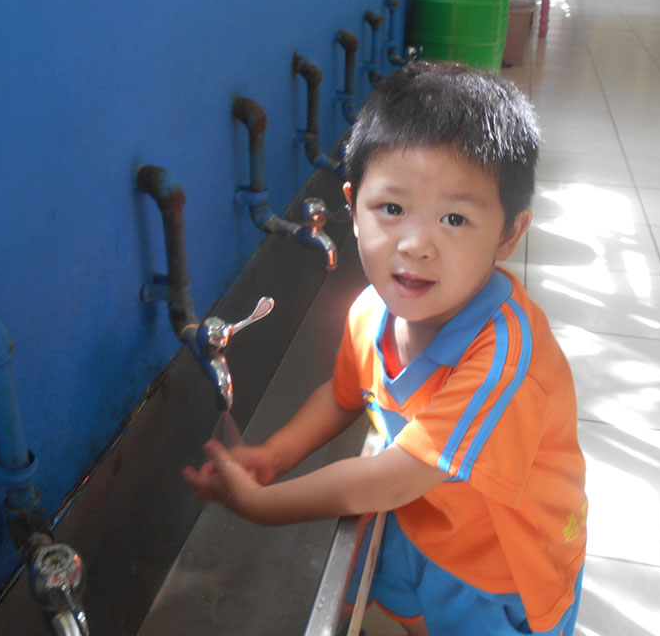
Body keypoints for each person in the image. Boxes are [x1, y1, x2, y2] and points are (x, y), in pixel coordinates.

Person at [183, 61, 587, 636]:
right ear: (353, 208)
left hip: (500, 566)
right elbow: (342, 396)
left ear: (508, 234)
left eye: (455, 218)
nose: (416, 244)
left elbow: (396, 477)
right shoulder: (371, 312)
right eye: (392, 209)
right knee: (414, 613)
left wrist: (262, 506)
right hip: (425, 519)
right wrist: (275, 455)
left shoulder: (504, 358)